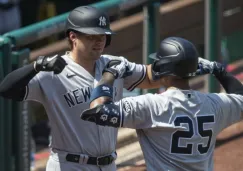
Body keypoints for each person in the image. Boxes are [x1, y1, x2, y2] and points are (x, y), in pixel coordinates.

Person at [0, 5, 162, 171]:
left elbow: (150, 78)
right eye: (92, 36)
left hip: (108, 165)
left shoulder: (114, 64)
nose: (99, 41)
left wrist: (174, 64)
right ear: (73, 37)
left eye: (103, 35)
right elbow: (6, 89)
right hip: (69, 165)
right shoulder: (53, 72)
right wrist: (35, 66)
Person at [81, 37, 243, 171]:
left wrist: (110, 74)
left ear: (163, 70)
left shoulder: (151, 106)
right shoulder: (214, 104)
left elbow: (99, 111)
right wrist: (218, 70)